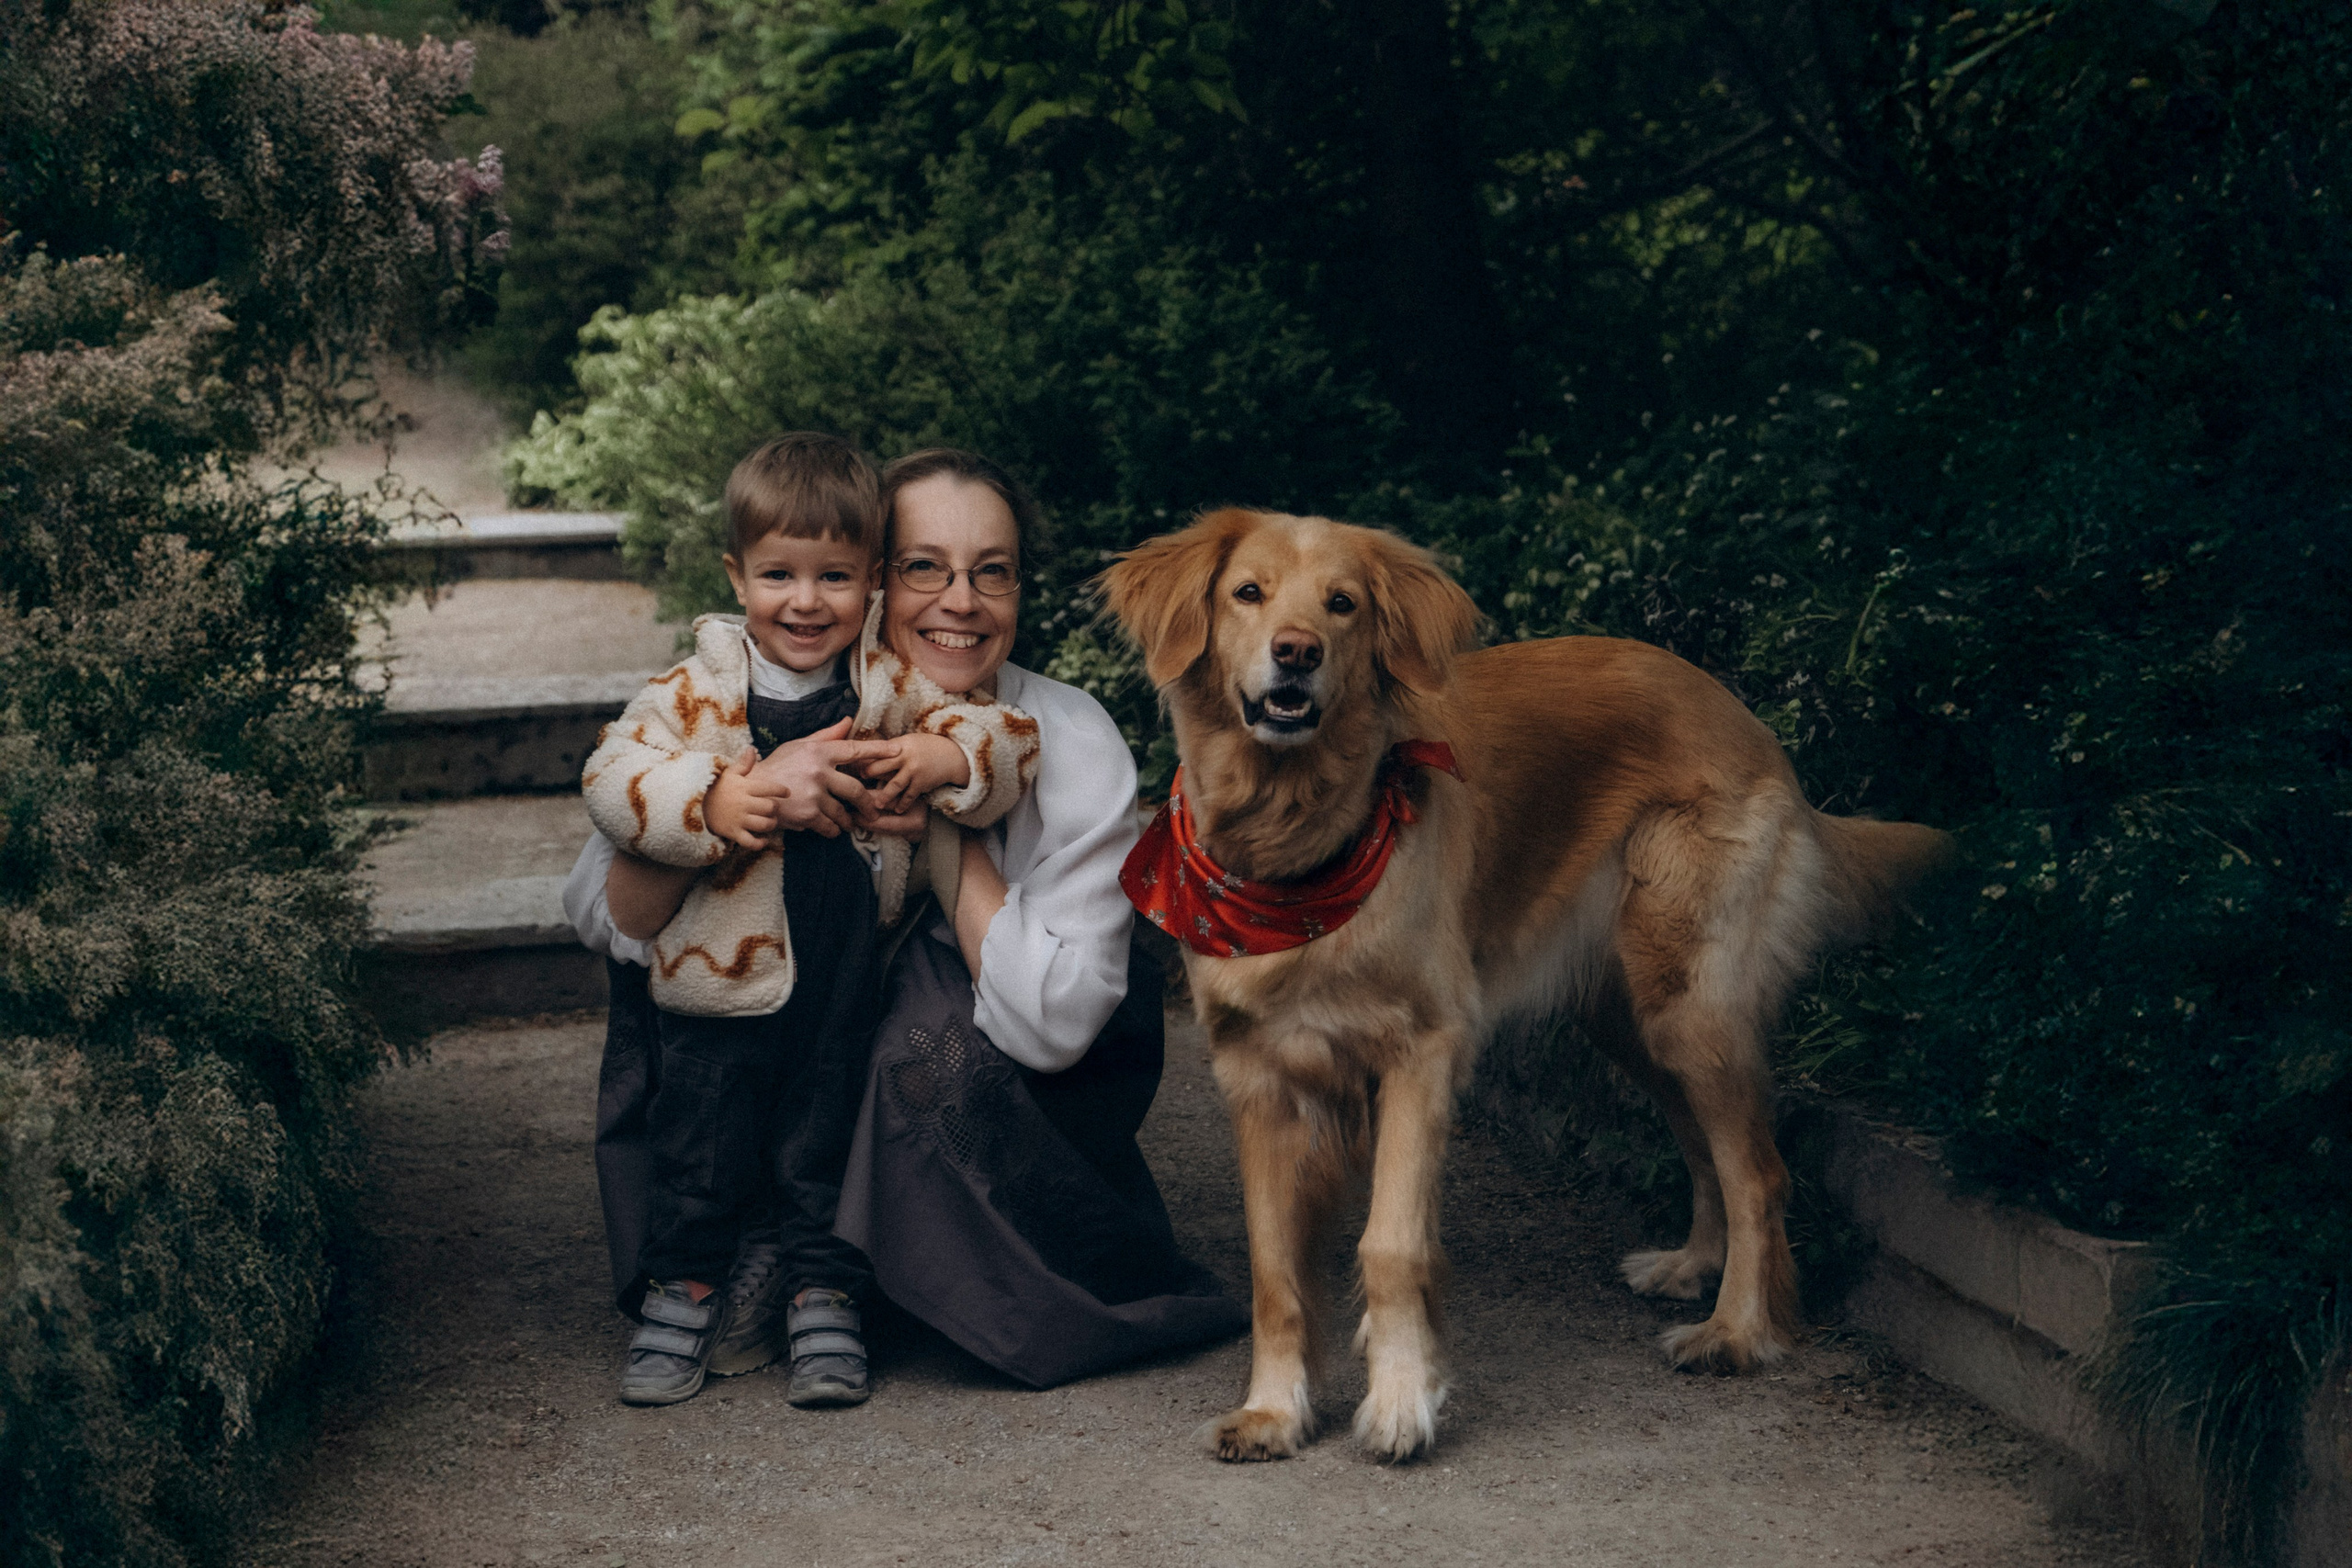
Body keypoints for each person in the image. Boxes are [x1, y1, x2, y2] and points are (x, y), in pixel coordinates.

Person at [570, 446, 1245, 1398]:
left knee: (913, 1014)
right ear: (877, 577)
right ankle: (736, 1237)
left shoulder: (1061, 735)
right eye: (925, 566)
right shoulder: (737, 694)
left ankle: (851, 1268)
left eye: (992, 571)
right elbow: (608, 921)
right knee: (708, 994)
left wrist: (941, 828)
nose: (959, 601)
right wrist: (745, 797)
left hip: (1020, 1081)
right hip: (777, 1011)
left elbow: (1052, 1027)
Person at [569, 433, 1040, 1409]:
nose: (806, 601)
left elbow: (1002, 734)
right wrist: (713, 799)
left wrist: (947, 761)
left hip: (842, 986)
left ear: (871, 583)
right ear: (736, 576)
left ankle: (824, 1298)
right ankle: (682, 1292)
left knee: (826, 1145)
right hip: (714, 989)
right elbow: (611, 775)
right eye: (778, 574)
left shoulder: (888, 686)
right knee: (698, 1149)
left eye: (833, 577)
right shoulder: (693, 692)